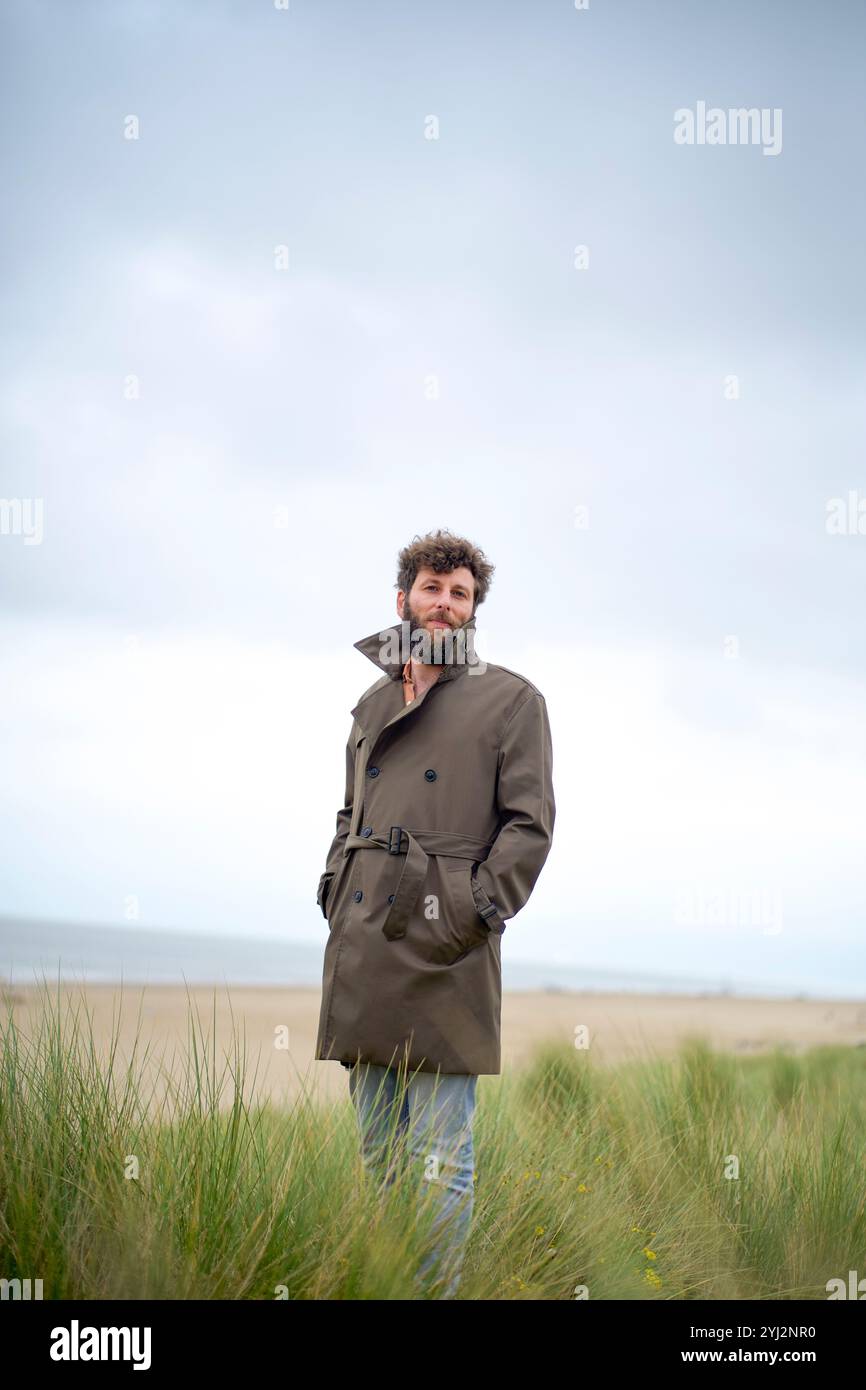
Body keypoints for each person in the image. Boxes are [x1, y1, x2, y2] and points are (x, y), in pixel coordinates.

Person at [315, 528, 555, 1297]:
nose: (444, 604)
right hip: (367, 944)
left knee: (443, 1161)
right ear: (403, 599)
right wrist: (333, 886)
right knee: (381, 1159)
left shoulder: (512, 699)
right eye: (432, 588)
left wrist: (472, 909)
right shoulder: (372, 701)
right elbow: (351, 809)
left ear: (473, 608)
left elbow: (530, 825)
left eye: (460, 593)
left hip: (447, 947)